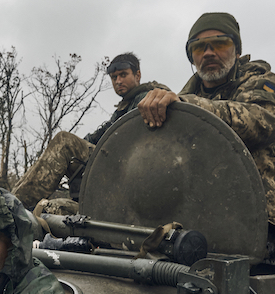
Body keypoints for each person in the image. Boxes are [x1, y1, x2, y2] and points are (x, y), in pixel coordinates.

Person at [137, 12, 275, 257]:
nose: (209, 52)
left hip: (265, 215)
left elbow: (262, 123)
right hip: (194, 212)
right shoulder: (183, 99)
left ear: (237, 50)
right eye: (199, 47)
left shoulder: (265, 83)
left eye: (220, 43)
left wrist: (187, 107)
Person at [12, 52, 170, 209]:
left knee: (65, 142)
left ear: (137, 75)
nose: (118, 81)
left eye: (123, 75)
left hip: (131, 170)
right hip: (116, 167)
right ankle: (13, 199)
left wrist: (73, 146)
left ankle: (14, 207)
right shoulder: (124, 107)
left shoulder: (147, 99)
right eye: (114, 78)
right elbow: (98, 136)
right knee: (53, 206)